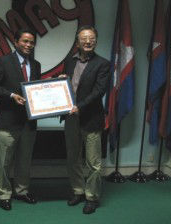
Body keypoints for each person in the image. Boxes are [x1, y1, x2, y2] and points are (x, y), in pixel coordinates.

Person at [0, 28, 41, 211]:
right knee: (4, 161)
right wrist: (11, 95)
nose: (28, 45)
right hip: (8, 120)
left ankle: (22, 191)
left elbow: (37, 90)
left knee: (25, 159)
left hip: (29, 122)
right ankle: (3, 194)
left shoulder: (36, 64)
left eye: (31, 42)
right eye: (25, 41)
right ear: (16, 42)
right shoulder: (3, 62)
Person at [59, 25, 110, 214]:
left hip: (91, 119)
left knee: (93, 163)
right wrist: (62, 80)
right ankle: (78, 191)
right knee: (73, 158)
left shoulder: (103, 64)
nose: (88, 42)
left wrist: (79, 106)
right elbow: (67, 85)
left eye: (92, 39)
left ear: (96, 41)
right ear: (77, 41)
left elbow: (99, 91)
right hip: (71, 118)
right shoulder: (69, 61)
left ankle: (92, 197)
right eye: (84, 39)